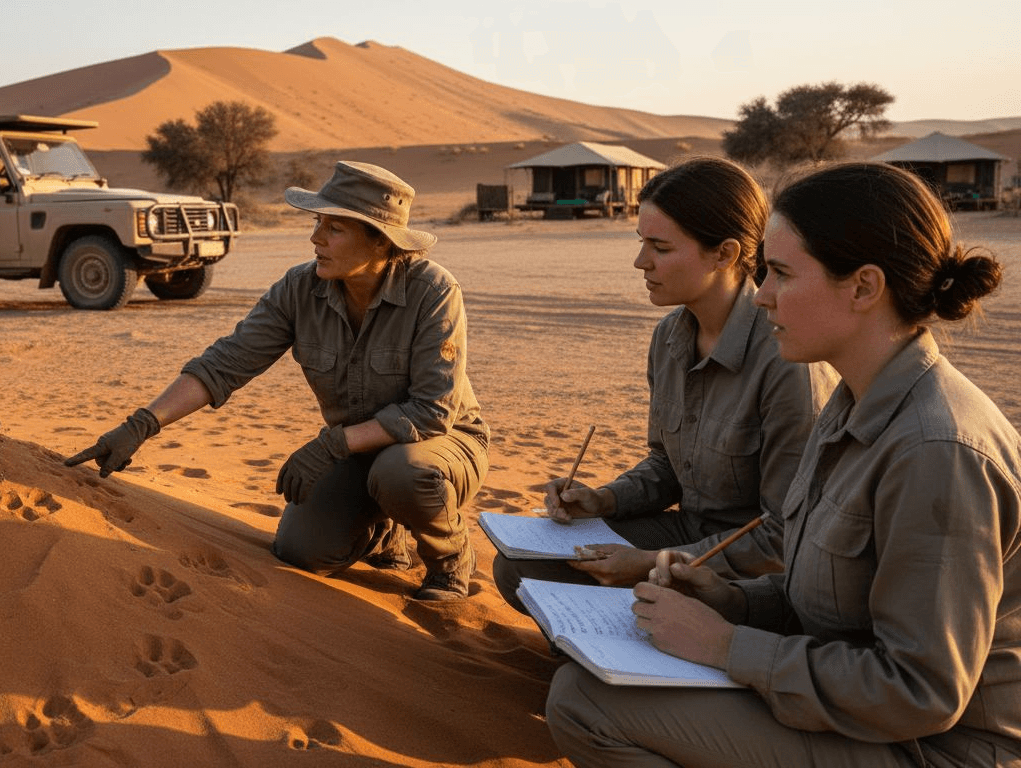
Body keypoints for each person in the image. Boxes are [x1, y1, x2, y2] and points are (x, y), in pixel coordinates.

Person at [547, 161, 1020, 766]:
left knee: (587, 705)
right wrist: (732, 601)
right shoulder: (856, 400)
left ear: (863, 287)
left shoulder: (937, 452)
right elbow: (834, 602)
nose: (762, 292)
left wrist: (727, 647)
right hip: (856, 713)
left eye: (781, 274)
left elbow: (920, 692)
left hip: (932, 749)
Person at [65, 161, 489, 601]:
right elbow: (225, 363)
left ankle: (450, 562)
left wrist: (332, 446)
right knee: (301, 550)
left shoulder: (434, 291)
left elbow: (432, 412)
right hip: (358, 450)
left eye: (335, 228)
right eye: (317, 222)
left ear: (380, 240)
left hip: (443, 446)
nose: (316, 238)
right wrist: (141, 425)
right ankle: (382, 532)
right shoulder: (300, 288)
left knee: (402, 472)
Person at [493, 157, 834, 611]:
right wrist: (602, 500)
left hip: (749, 571)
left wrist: (652, 561)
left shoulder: (786, 361)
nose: (640, 262)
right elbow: (668, 466)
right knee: (523, 566)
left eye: (660, 247)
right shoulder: (669, 337)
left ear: (725, 254)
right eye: (641, 243)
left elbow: (784, 535)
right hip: (687, 532)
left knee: (633, 606)